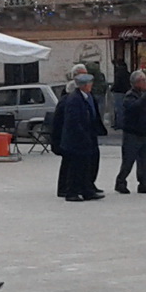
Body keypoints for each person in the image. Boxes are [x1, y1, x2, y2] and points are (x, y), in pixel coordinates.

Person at [53, 71, 106, 201]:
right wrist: (83, 135)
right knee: (75, 167)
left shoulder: (85, 97)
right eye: (90, 83)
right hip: (76, 140)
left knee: (86, 166)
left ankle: (86, 190)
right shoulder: (74, 99)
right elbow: (74, 122)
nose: (91, 86)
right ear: (84, 85)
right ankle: (72, 192)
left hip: (85, 138)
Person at [113, 70, 146, 194]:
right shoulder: (130, 96)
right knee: (128, 160)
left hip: (144, 132)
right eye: (144, 80)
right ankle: (120, 181)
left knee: (145, 160)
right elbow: (134, 108)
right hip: (132, 133)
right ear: (137, 82)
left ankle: (144, 183)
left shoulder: (144, 96)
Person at [52, 64, 91, 198]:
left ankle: (79, 188)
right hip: (72, 139)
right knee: (72, 165)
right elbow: (69, 121)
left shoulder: (79, 98)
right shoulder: (72, 99)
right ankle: (70, 190)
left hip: (73, 138)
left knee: (76, 165)